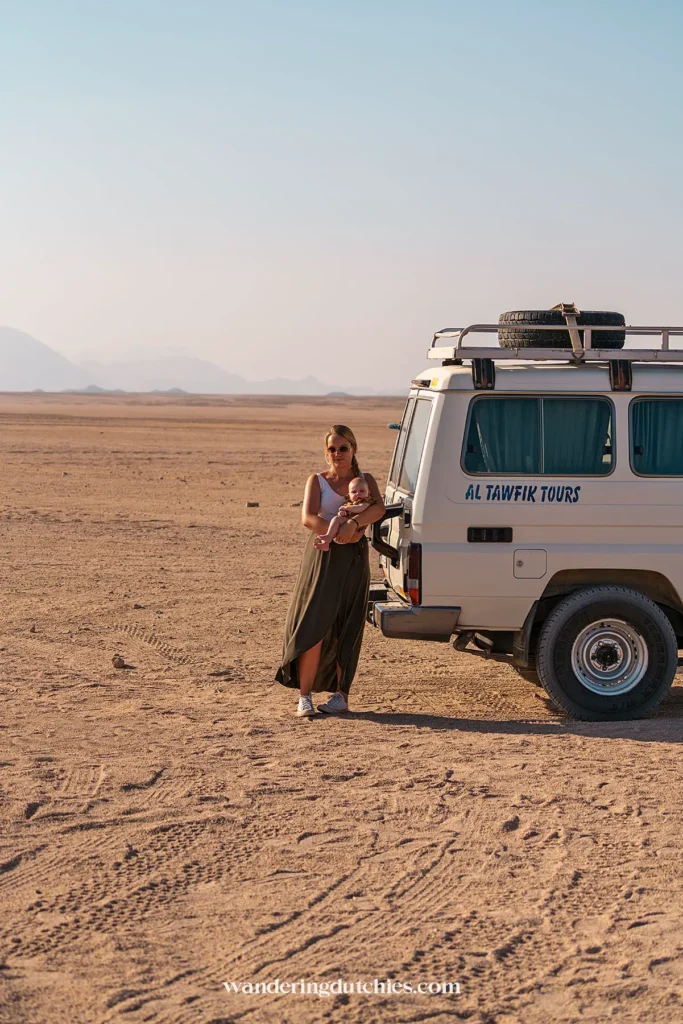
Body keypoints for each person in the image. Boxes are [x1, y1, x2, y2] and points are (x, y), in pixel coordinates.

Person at [275, 424, 385, 717]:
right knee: (314, 622)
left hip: (353, 558)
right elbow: (308, 518)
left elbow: (378, 510)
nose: (337, 454)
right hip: (322, 556)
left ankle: (341, 696)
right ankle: (305, 697)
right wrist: (338, 533)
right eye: (332, 449)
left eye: (343, 448)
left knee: (348, 623)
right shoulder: (317, 480)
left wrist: (353, 527)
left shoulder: (365, 480)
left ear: (353, 449)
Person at [313, 476, 375, 551]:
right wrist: (341, 513)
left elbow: (359, 509)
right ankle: (327, 541)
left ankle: (330, 538)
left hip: (356, 526)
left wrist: (346, 508)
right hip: (345, 524)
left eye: (362, 491)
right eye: (354, 492)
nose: (358, 494)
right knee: (336, 519)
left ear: (368, 492)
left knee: (337, 521)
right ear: (349, 495)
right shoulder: (349, 503)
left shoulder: (366, 501)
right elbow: (344, 513)